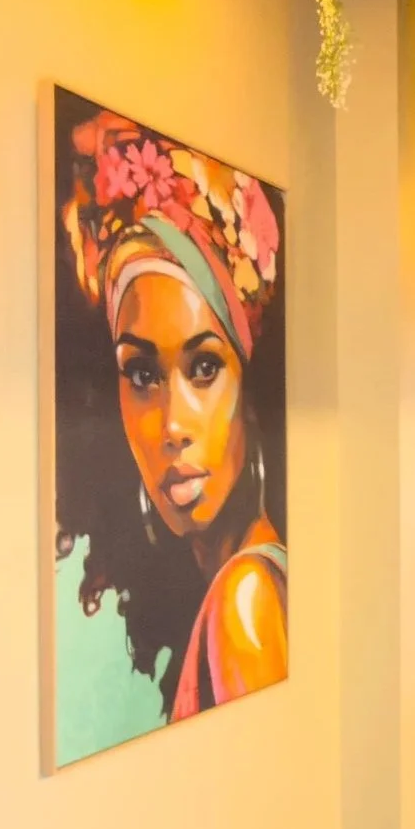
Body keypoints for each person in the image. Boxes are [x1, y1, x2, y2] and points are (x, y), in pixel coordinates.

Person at [56, 105, 288, 721]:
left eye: (205, 368)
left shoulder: (245, 600)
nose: (172, 425)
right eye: (141, 374)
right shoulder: (240, 584)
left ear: (249, 388)